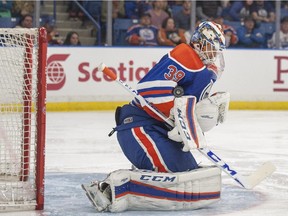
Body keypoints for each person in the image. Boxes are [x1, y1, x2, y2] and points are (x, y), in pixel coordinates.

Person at [82, 21, 230, 212]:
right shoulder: (186, 55)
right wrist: (177, 115)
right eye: (212, 48)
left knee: (189, 174)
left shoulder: (200, 69)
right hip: (139, 127)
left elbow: (183, 104)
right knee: (177, 176)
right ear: (200, 43)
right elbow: (148, 89)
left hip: (158, 130)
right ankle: (113, 188)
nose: (215, 54)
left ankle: (139, 177)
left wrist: (183, 124)